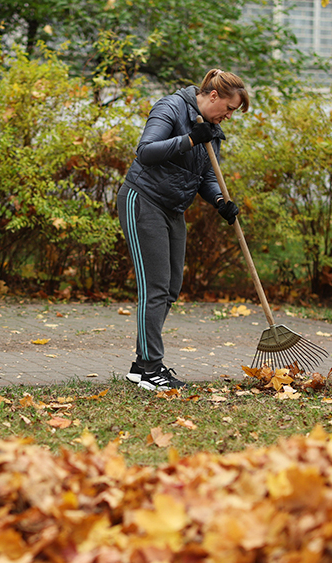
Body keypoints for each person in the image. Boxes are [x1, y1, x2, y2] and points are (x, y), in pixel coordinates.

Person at [117, 68, 249, 391]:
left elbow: (206, 174)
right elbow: (145, 152)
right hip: (142, 200)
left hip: (173, 208)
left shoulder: (212, 128)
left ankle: (141, 364)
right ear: (213, 96)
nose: (229, 116)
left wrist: (219, 201)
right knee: (155, 288)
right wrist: (190, 138)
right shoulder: (171, 108)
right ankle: (150, 367)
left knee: (171, 288)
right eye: (229, 109)